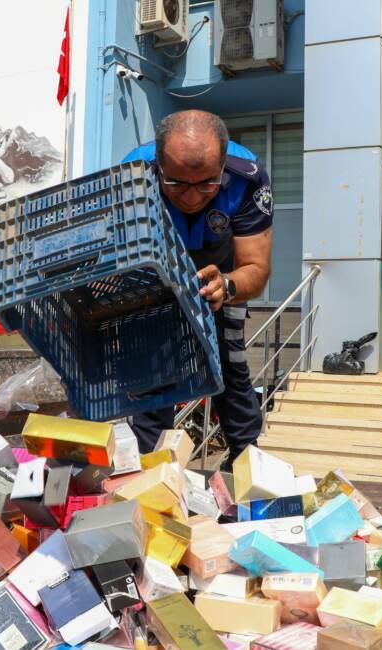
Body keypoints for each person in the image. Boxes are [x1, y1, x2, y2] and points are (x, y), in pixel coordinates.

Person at [122, 110, 273, 471]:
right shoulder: (129, 176)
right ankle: (153, 477)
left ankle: (247, 470)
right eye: (175, 184)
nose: (190, 198)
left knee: (228, 370)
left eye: (206, 184)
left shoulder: (248, 177)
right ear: (158, 166)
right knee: (151, 376)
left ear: (222, 166)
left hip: (219, 271)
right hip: (154, 274)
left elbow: (256, 267)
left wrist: (228, 285)